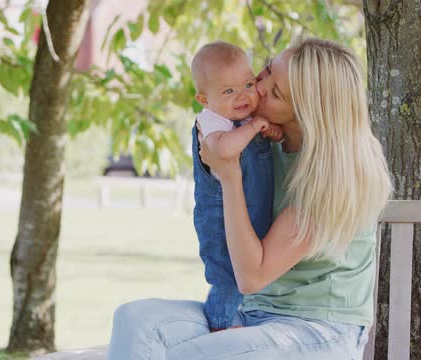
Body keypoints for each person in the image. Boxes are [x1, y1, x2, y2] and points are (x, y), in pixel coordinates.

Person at [107, 37, 393, 360]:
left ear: (306, 112)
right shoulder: (262, 140)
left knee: (190, 356)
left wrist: (230, 175)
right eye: (267, 71)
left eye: (275, 92)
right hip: (251, 315)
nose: (258, 88)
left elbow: (251, 276)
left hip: (318, 330)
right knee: (135, 322)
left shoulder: (337, 177)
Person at [190, 40, 283, 332]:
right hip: (219, 219)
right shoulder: (212, 121)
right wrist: (256, 126)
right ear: (205, 100)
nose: (241, 96)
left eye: (247, 84)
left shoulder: (244, 117)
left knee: (248, 269)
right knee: (227, 275)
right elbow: (223, 151)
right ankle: (219, 325)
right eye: (228, 91)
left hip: (249, 212)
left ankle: (240, 319)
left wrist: (272, 129)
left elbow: (276, 137)